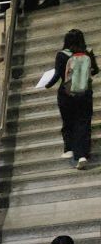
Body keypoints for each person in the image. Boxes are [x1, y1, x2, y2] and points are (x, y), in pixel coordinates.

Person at [46, 27, 95, 167]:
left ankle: (69, 149)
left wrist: (47, 85)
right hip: (85, 93)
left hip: (66, 94)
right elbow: (95, 71)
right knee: (83, 123)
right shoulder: (88, 52)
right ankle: (83, 154)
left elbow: (57, 76)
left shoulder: (61, 55)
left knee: (69, 121)